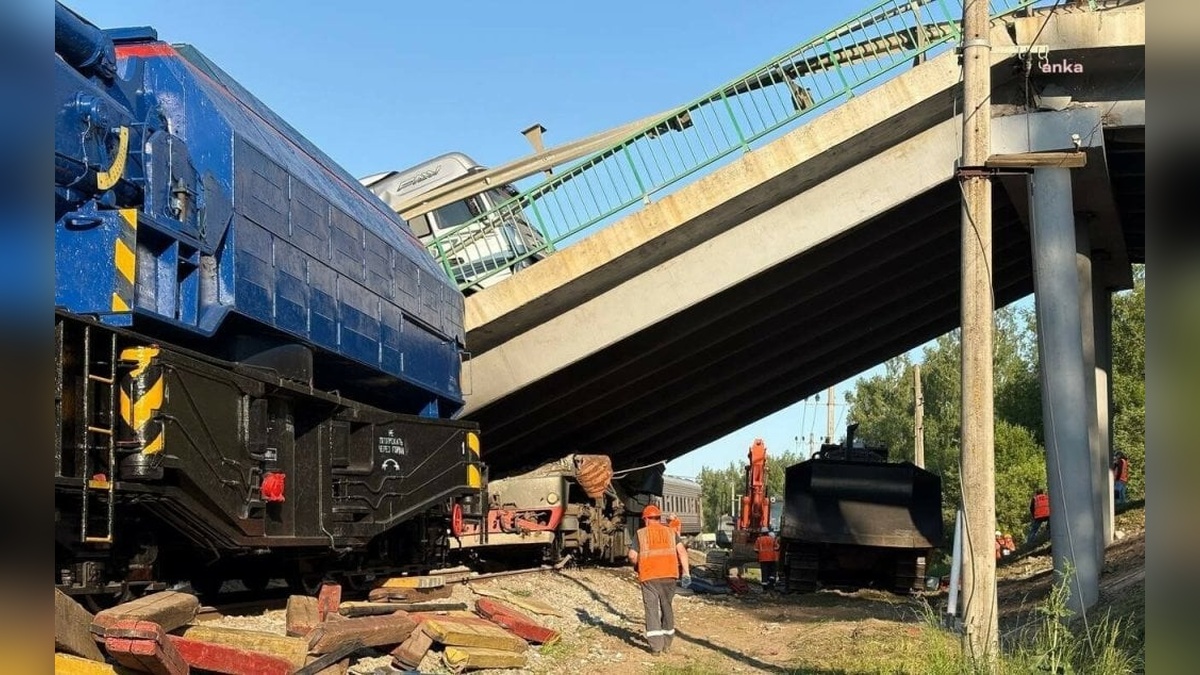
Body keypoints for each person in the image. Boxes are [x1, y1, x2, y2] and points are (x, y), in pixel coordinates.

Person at [628, 504, 690, 655]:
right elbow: (681, 551)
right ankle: (667, 643)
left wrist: (638, 565)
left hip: (649, 577)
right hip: (670, 576)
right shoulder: (670, 532)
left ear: (646, 520)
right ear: (659, 518)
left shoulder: (641, 534)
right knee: (666, 607)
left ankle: (656, 647)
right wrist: (686, 573)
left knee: (651, 610)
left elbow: (632, 555)